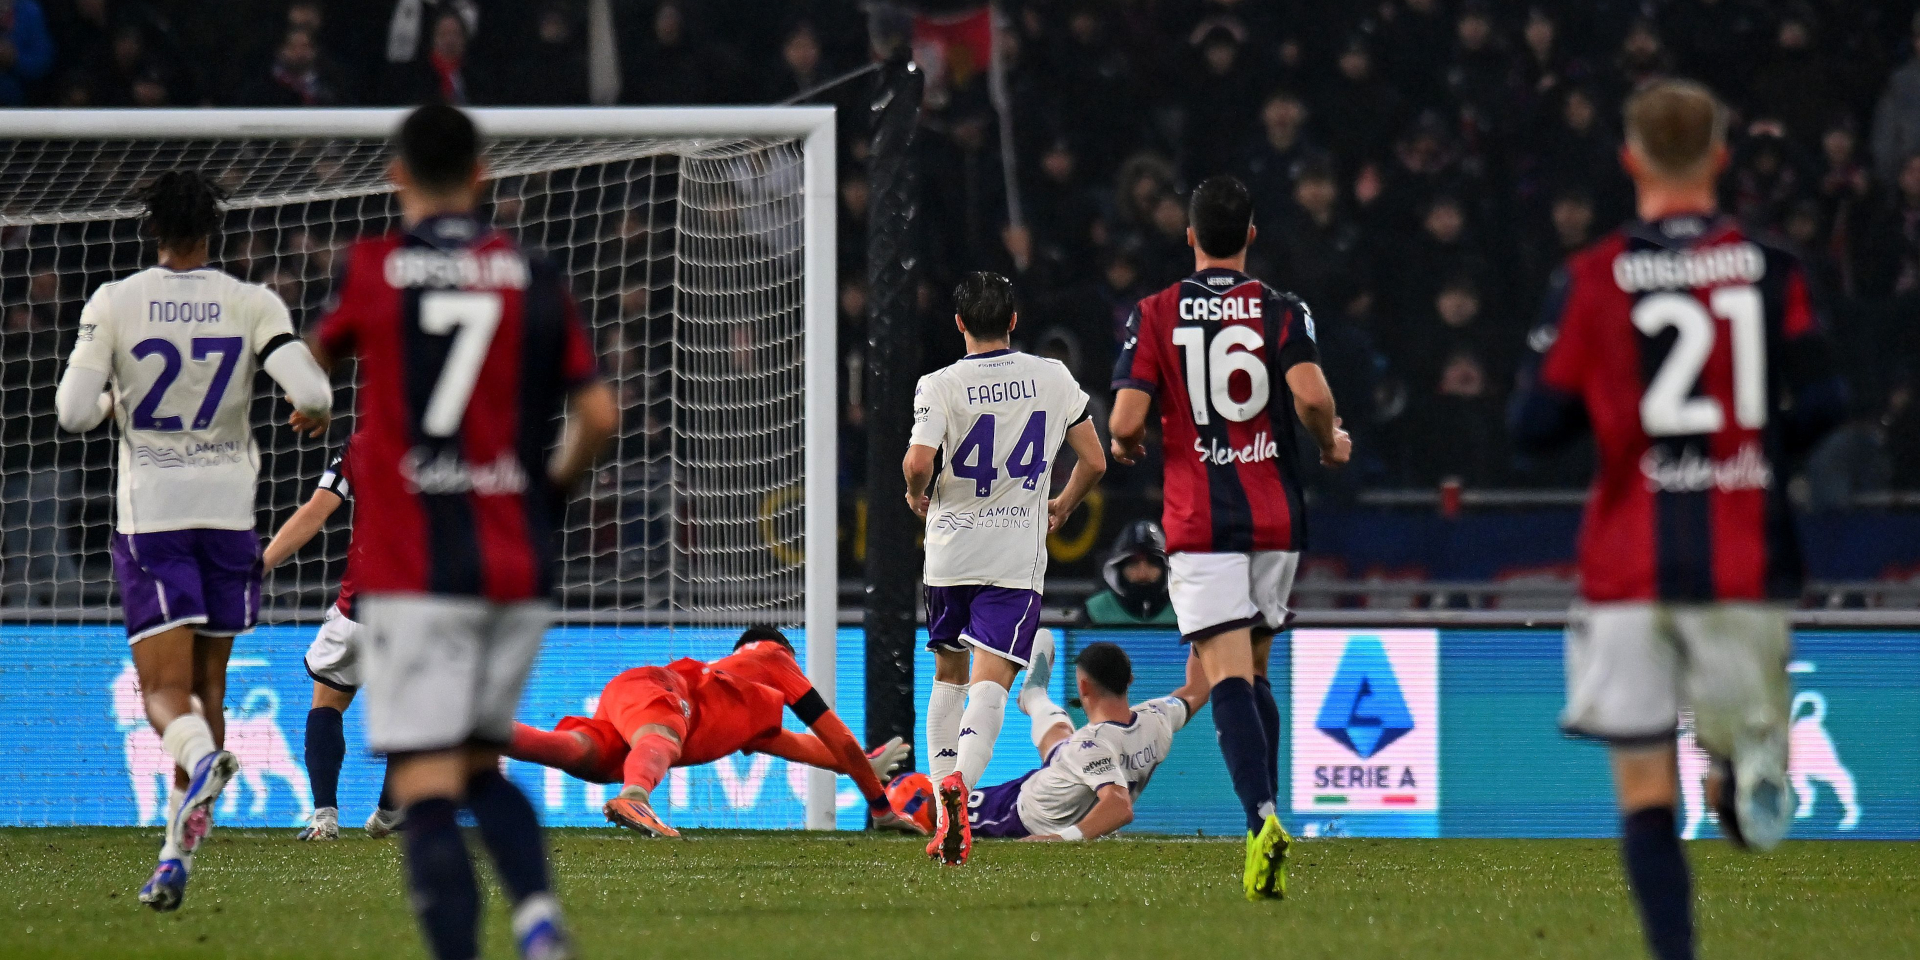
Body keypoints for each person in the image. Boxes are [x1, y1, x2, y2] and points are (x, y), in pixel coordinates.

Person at [1509, 80, 1847, 960]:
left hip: (1629, 566)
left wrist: (1620, 418)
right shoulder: (1774, 270)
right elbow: (1828, 399)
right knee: (1727, 742)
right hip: (1744, 554)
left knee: (1644, 786)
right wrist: (1755, 449)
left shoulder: (1591, 277)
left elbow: (1532, 429)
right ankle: (1739, 760)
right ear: (1723, 158)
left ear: (1629, 161)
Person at [310, 104, 618, 960]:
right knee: (480, 764)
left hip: (415, 569)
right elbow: (598, 413)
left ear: (396, 174)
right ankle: (537, 918)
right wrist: (548, 495)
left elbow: (315, 366)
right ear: (483, 174)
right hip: (517, 556)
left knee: (428, 783)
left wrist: (312, 398)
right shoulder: (534, 270)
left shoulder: (373, 266)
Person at [53, 170, 334, 910]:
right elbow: (312, 393)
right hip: (230, 516)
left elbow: (74, 412)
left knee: (161, 693)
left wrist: (118, 398)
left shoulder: (116, 301)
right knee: (208, 690)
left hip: (155, 517)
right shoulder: (252, 302)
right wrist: (311, 413)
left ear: (152, 228)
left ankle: (206, 762)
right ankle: (175, 854)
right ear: (216, 231)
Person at [1109, 175, 1350, 900]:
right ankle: (1265, 827)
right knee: (1257, 669)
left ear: (1189, 237)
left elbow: (1123, 421)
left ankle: (1261, 818)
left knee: (1225, 676)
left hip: (1201, 518)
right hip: (1276, 513)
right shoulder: (1282, 309)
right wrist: (1330, 440)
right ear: (1251, 234)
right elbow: (1310, 397)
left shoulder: (1154, 312)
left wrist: (1129, 443)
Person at [903, 271, 1108, 865]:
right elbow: (1093, 459)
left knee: (948, 676)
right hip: (1014, 554)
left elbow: (918, 462)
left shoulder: (938, 383)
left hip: (949, 552)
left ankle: (943, 815)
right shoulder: (1052, 376)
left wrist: (918, 495)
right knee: (990, 685)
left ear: (960, 323)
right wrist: (1063, 506)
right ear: (1014, 321)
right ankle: (961, 790)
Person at [503, 627, 922, 837]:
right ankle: (635, 798)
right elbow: (837, 737)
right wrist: (882, 808)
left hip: (634, 701)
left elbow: (814, 750)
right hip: (657, 689)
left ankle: (481, 731)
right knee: (661, 736)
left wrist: (862, 765)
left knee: (579, 753)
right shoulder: (772, 656)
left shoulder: (749, 718)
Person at [259, 441, 403, 841]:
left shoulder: (363, 444)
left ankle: (324, 819)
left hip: (358, 604)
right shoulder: (459, 444)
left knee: (327, 701)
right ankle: (390, 811)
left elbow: (317, 511)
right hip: (417, 608)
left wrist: (260, 566)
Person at [967, 634, 1203, 842]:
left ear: (1083, 687)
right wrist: (1204, 635)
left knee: (945, 808)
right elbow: (1197, 688)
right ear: (1130, 679)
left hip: (1023, 812)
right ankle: (1033, 695)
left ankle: (1034, 696)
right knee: (1063, 744)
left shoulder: (1089, 745)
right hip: (1063, 773)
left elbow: (1120, 807)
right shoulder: (1158, 715)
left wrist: (1061, 838)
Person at [1081, 520, 1176, 626]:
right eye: (1133, 564)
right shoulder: (1096, 609)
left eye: (1152, 563)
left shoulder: (1185, 607)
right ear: (1118, 568)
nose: (1142, 573)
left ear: (1166, 568)